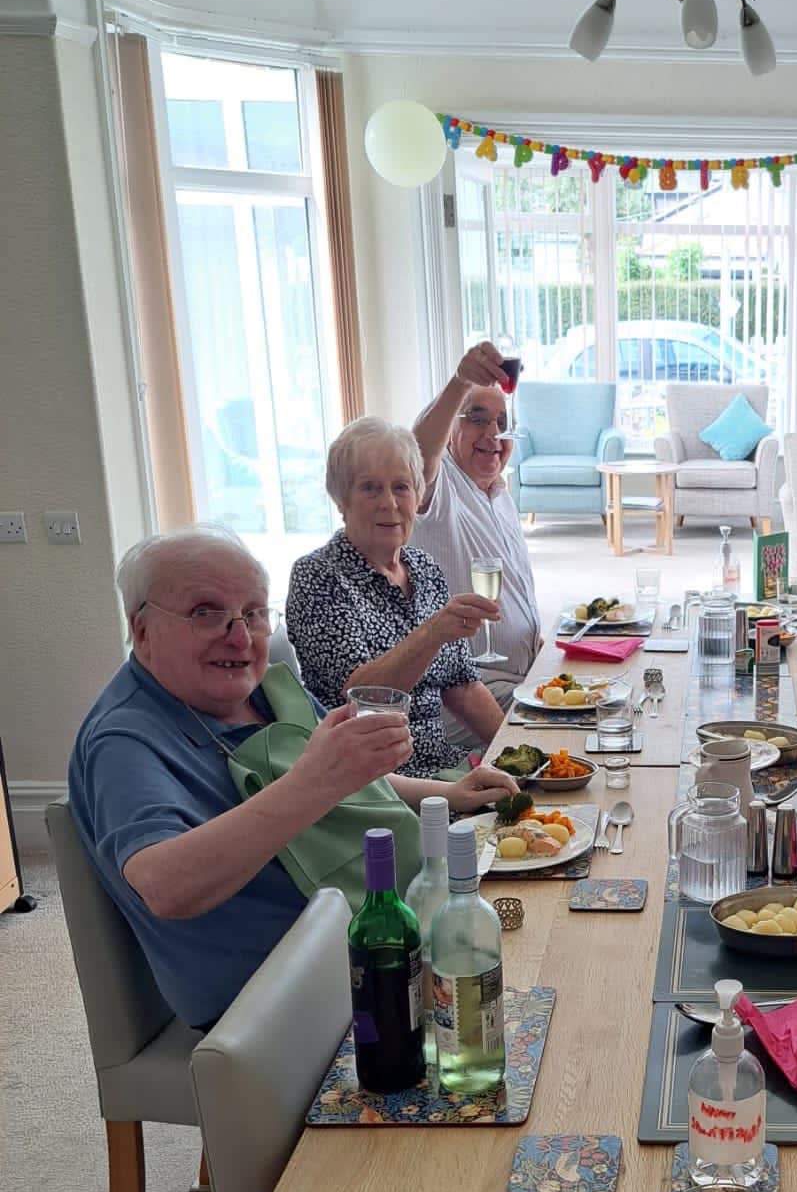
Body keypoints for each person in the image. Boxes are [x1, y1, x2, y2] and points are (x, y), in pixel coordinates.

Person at [68, 527, 514, 1030]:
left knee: (543, 921)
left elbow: (347, 783)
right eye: (205, 612)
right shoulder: (124, 739)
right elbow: (165, 887)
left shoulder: (255, 691)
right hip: (279, 991)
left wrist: (448, 793)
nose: (239, 636)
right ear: (143, 629)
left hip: (372, 933)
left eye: (254, 613)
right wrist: (314, 782)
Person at [286, 418, 508, 776]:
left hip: (444, 765)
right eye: (370, 488)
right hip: (374, 781)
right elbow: (359, 696)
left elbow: (463, 687)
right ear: (342, 501)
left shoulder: (424, 568)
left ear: (417, 497)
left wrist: (520, 757)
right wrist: (431, 633)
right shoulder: (318, 576)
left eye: (401, 487)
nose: (389, 503)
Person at [411, 343, 541, 702]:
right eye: (478, 419)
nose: (493, 436)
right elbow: (416, 455)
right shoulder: (437, 490)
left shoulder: (499, 493)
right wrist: (460, 382)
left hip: (520, 675)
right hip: (472, 691)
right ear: (450, 426)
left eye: (501, 423)